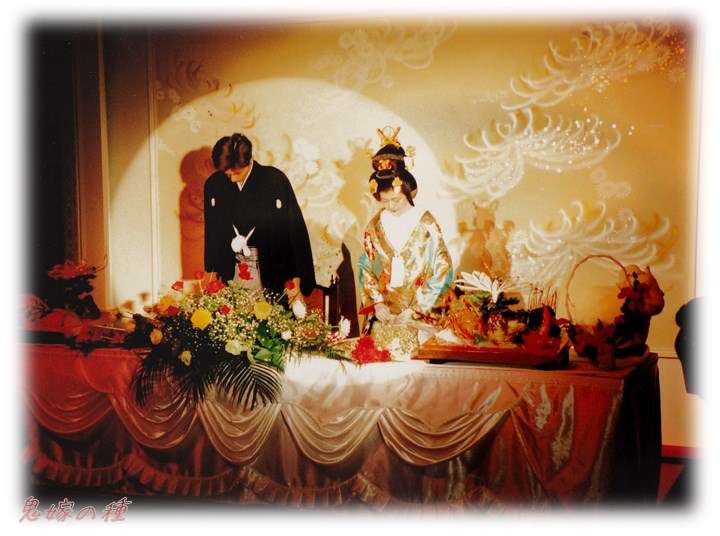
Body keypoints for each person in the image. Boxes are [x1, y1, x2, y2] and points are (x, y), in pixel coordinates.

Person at [357, 127, 454, 359]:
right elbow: (367, 269)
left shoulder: (426, 223)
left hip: (420, 317)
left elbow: (443, 268)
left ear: (408, 193)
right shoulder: (374, 226)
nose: (391, 206)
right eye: (385, 201)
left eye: (396, 200)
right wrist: (377, 304)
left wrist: (418, 309)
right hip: (385, 318)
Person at [203, 133, 316, 300]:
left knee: (271, 309)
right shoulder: (214, 184)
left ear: (250, 159)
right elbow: (212, 231)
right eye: (227, 173)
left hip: (270, 264)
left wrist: (296, 279)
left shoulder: (274, 180)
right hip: (231, 266)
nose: (232, 178)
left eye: (237, 172)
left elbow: (294, 230)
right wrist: (211, 270)